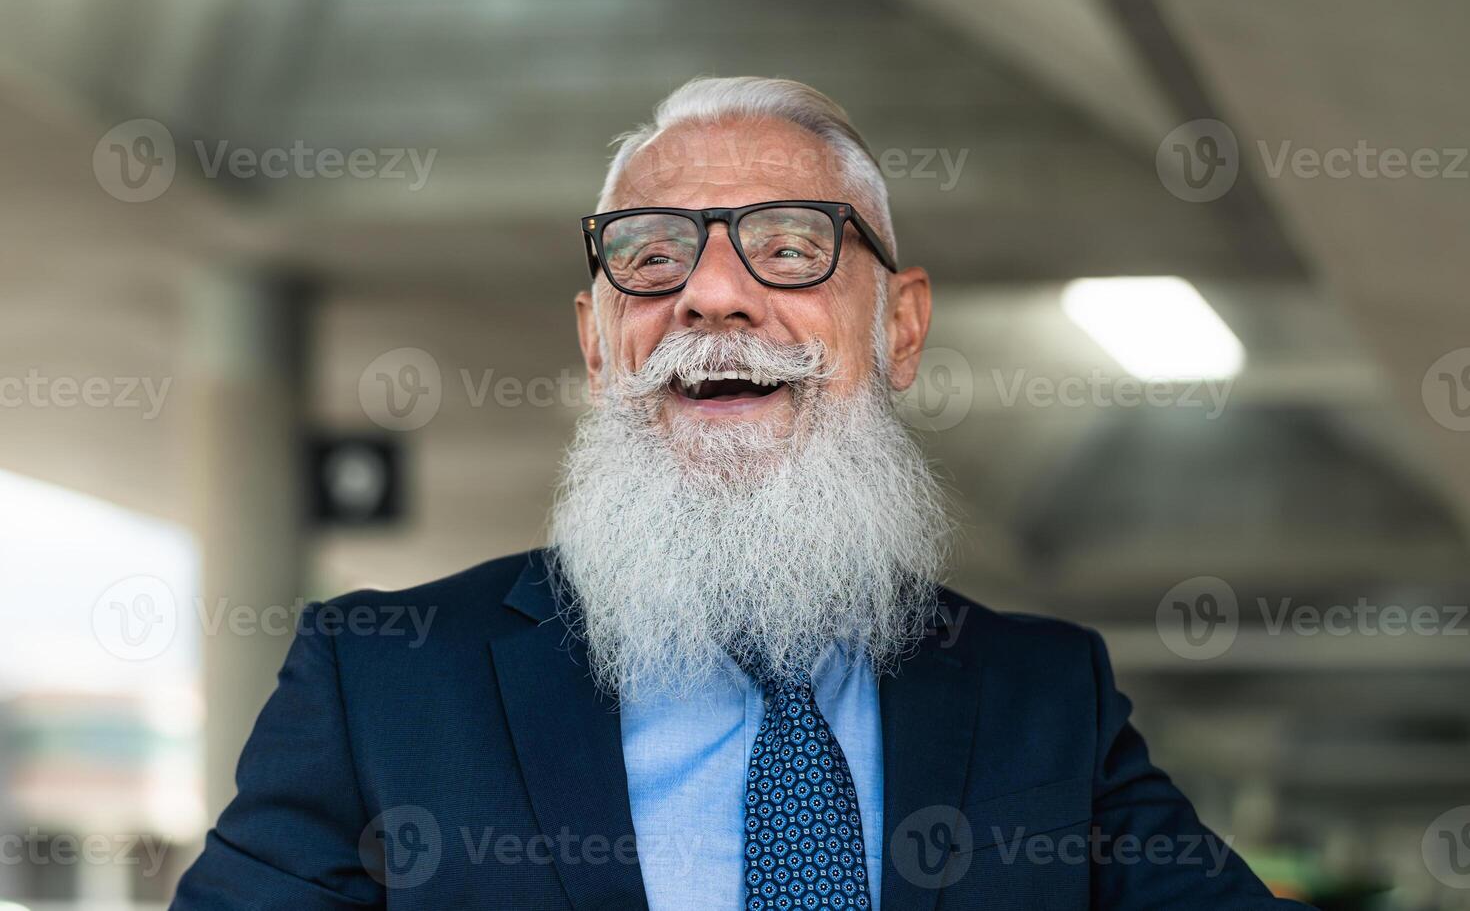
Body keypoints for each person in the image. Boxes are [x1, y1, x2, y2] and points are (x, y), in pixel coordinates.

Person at [174, 76, 1308, 909]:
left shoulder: (1046, 700)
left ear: (899, 326)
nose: (713, 295)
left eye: (790, 245)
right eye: (652, 258)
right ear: (600, 340)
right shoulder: (382, 681)